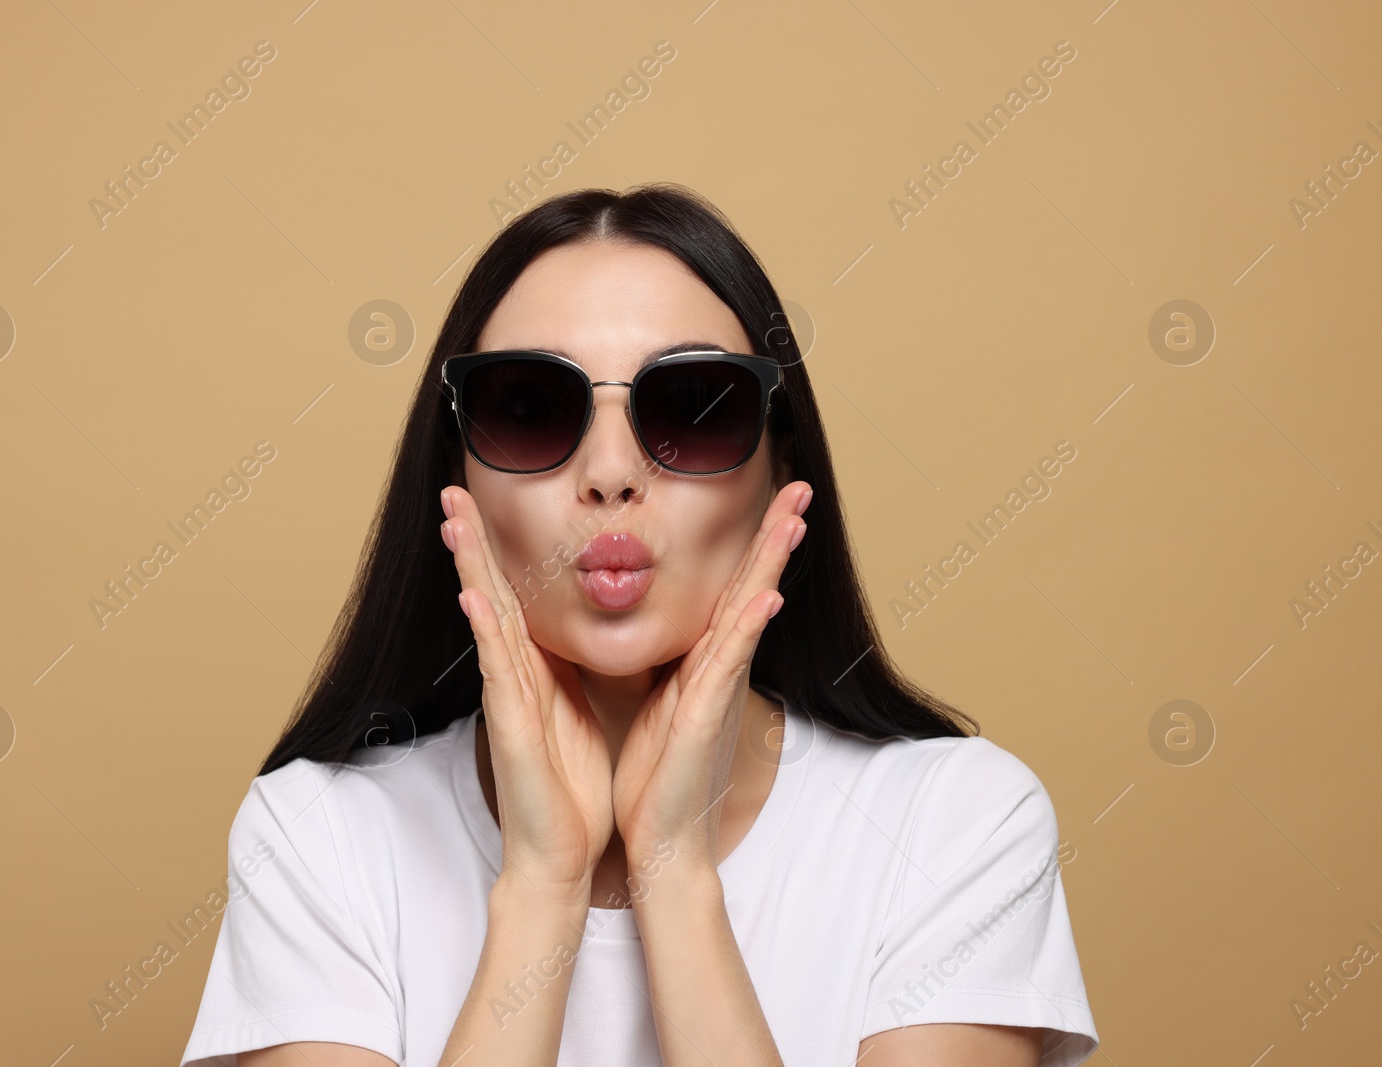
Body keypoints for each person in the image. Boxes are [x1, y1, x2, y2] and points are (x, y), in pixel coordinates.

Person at [179, 184, 1099, 1067]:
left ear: (783, 466)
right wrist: (544, 885)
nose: (611, 472)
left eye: (694, 408)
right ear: (452, 473)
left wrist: (673, 870)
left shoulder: (957, 827)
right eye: (532, 408)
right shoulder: (318, 834)